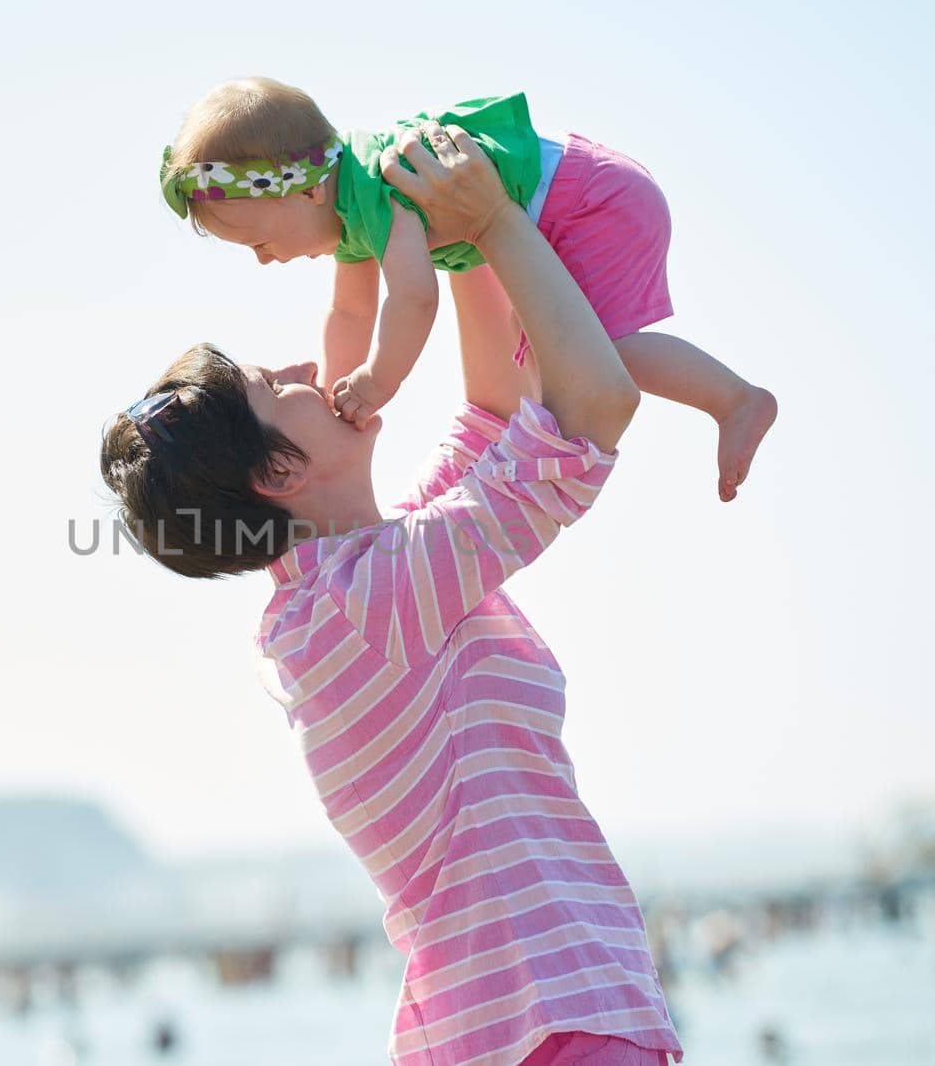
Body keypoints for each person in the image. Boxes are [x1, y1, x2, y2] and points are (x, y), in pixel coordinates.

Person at [106, 125, 680, 1063]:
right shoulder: (357, 603)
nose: (304, 368)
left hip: (526, 1019)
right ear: (278, 473)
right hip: (548, 1020)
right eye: (273, 385)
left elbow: (495, 413)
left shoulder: (347, 590)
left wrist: (445, 219)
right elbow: (591, 413)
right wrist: (493, 218)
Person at [161, 78, 775, 501]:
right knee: (546, 361)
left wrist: (378, 382)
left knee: (596, 356)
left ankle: (736, 400)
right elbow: (349, 310)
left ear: (308, 189)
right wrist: (330, 392)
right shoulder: (350, 212)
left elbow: (414, 297)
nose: (266, 262)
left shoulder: (380, 190)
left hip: (591, 205)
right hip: (579, 202)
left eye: (258, 243)